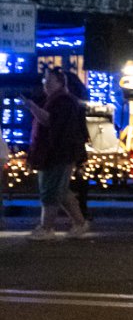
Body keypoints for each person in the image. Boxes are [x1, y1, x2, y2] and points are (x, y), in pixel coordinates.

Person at [26, 68, 92, 240]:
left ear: (60, 83)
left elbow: (50, 122)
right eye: (44, 81)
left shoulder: (63, 102)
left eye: (49, 81)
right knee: (61, 191)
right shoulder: (61, 100)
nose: (45, 84)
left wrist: (33, 107)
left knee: (50, 190)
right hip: (60, 153)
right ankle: (79, 223)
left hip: (57, 153)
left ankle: (46, 228)